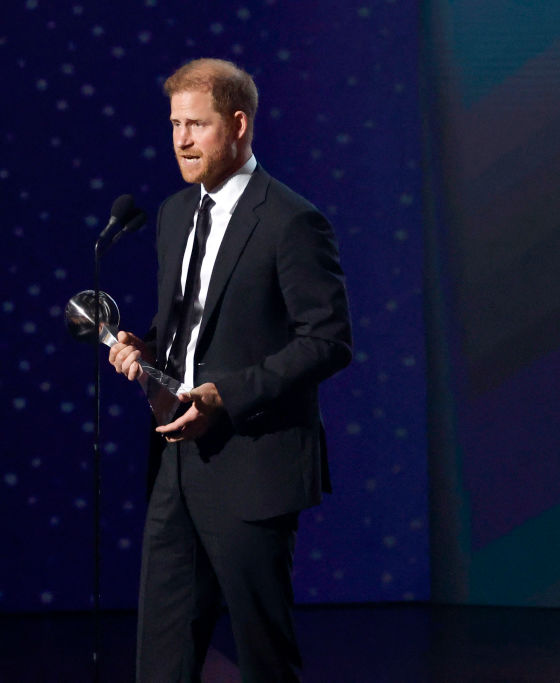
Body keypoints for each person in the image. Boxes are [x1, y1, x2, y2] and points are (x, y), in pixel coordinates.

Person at [108, 58, 352, 681]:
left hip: (253, 466)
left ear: (238, 125)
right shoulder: (172, 215)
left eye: (197, 125)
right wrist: (145, 350)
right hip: (176, 467)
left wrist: (224, 396)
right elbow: (185, 331)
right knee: (162, 654)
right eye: (174, 125)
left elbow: (327, 341)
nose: (181, 141)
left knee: (264, 656)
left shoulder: (291, 220)